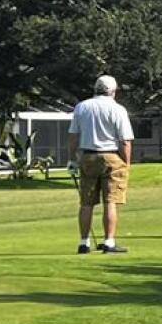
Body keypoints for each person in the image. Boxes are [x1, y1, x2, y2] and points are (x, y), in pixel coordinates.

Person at [69, 74, 133, 254]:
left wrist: (72, 159)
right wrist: (127, 163)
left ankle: (83, 243)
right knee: (110, 201)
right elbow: (125, 141)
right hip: (111, 156)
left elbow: (73, 136)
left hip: (88, 156)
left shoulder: (82, 107)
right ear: (113, 91)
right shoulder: (118, 109)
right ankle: (109, 242)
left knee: (86, 202)